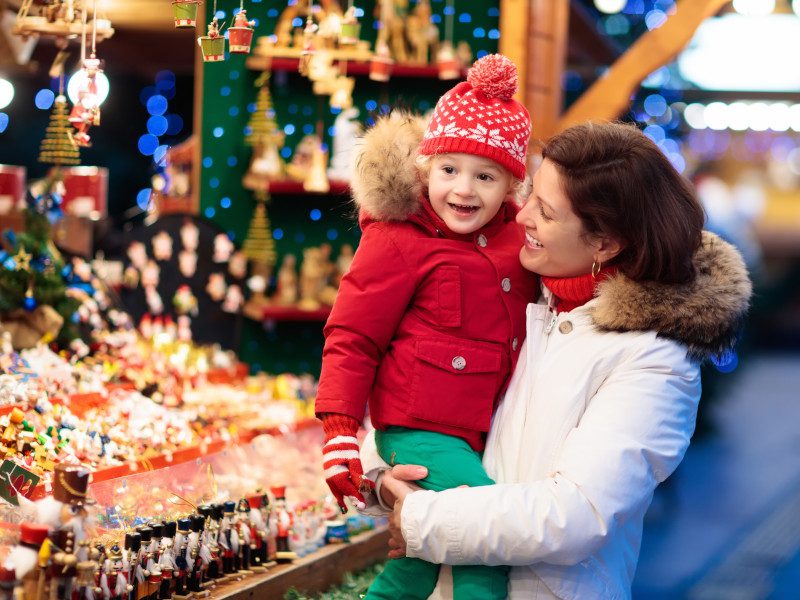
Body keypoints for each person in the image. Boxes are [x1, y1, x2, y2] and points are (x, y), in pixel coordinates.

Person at [367, 121, 753, 599]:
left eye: (545, 212)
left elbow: (576, 514)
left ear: (605, 244)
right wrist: (383, 480)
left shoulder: (654, 358)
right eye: (528, 191)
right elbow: (407, 401)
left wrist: (420, 516)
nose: (520, 214)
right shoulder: (511, 293)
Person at [314, 53, 536, 599]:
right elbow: (353, 335)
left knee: (415, 564)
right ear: (424, 168)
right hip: (420, 428)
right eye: (449, 170)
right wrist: (340, 430)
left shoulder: (516, 241)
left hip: (480, 429)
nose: (465, 190)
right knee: (485, 547)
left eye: (485, 176)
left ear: (510, 184)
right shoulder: (397, 239)